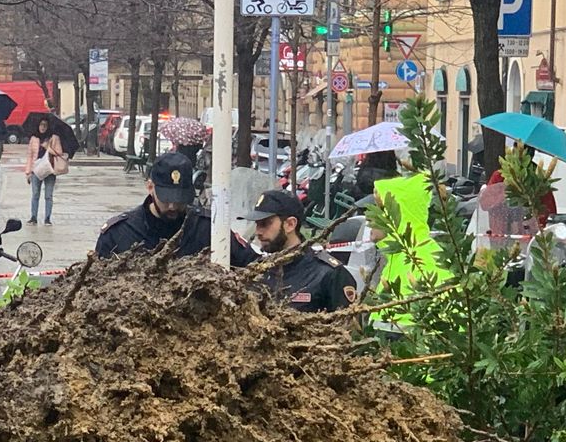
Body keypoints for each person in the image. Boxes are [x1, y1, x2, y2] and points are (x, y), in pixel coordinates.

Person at [95, 151, 256, 265]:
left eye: (180, 200)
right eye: (166, 199)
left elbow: (252, 264)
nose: (172, 206)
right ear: (150, 187)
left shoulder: (209, 229)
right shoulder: (119, 233)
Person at [251, 189, 355, 312]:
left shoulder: (328, 274)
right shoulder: (258, 272)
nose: (258, 232)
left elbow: (347, 325)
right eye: (257, 224)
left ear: (290, 224)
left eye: (265, 223)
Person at [24, 116, 66, 225]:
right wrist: (28, 172)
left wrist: (48, 147)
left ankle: (47, 218)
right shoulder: (34, 138)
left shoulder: (54, 138)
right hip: (36, 169)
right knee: (35, 194)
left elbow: (59, 153)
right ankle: (33, 217)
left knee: (48, 195)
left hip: (50, 170)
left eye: (45, 125)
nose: (42, 127)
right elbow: (30, 156)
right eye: (41, 125)